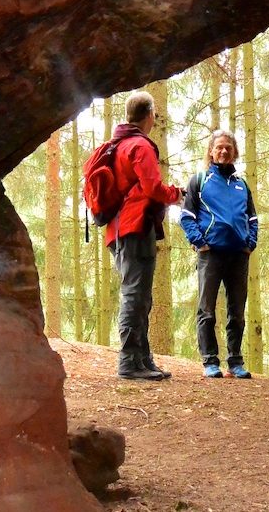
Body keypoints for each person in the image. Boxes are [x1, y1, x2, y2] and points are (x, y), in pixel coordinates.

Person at [105, 91, 185, 380]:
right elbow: (153, 187)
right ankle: (129, 362)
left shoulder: (118, 144)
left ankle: (142, 359)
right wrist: (177, 195)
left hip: (118, 229)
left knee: (140, 296)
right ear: (150, 115)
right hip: (135, 226)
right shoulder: (139, 145)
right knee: (134, 294)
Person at [179, 130, 258, 379]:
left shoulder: (241, 184)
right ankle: (210, 361)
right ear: (211, 151)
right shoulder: (200, 180)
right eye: (219, 147)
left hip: (238, 255)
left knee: (237, 311)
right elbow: (186, 216)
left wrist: (250, 243)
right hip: (211, 254)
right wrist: (199, 242)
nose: (224, 151)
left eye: (228, 148)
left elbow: (252, 218)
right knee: (207, 310)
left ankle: (235, 361)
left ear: (234, 152)